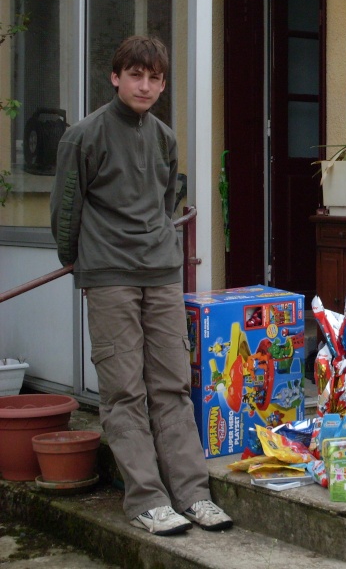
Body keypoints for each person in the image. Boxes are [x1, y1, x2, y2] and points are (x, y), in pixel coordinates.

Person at [50, 36, 233, 536]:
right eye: (136, 75)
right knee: (124, 391)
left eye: (155, 78)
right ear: (115, 77)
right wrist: (82, 261)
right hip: (109, 278)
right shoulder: (83, 136)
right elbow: (66, 213)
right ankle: (146, 500)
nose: (145, 86)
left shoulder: (164, 138)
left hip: (161, 274)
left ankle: (193, 494)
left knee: (172, 385)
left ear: (163, 84)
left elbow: (166, 201)